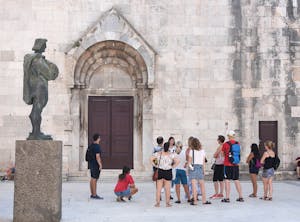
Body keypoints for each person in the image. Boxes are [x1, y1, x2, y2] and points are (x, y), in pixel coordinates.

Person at [23, 38, 59, 140]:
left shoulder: (34, 59)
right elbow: (49, 74)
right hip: (40, 87)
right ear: (41, 45)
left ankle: (36, 132)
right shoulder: (37, 60)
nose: (46, 47)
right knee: (37, 109)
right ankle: (36, 133)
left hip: (35, 86)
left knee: (37, 109)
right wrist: (52, 68)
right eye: (44, 45)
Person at [150, 142, 179, 207]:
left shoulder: (159, 154)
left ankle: (157, 203)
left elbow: (151, 158)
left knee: (159, 189)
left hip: (160, 170)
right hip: (168, 171)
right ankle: (167, 203)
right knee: (167, 188)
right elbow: (178, 161)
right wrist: (172, 166)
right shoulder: (171, 154)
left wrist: (156, 164)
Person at [221, 130, 244, 203]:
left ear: (228, 136)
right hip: (235, 164)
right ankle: (240, 196)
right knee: (236, 180)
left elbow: (222, 154)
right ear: (234, 136)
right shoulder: (238, 143)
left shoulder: (225, 144)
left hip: (227, 164)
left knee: (227, 180)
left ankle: (227, 198)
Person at [188, 137, 211, 205]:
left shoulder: (191, 151)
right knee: (202, 185)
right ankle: (204, 200)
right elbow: (203, 162)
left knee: (194, 186)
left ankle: (195, 201)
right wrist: (204, 171)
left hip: (194, 167)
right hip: (200, 168)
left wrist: (191, 169)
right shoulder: (202, 151)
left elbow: (189, 163)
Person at [88, 133, 103, 199]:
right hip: (95, 164)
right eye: (99, 138)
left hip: (91, 163)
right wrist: (100, 164)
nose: (100, 139)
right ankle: (94, 195)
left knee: (92, 178)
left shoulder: (91, 146)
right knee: (94, 179)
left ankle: (92, 193)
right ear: (98, 138)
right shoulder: (97, 146)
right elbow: (97, 156)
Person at [210, 135, 225, 199]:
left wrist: (215, 155)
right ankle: (221, 193)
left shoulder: (220, 147)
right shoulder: (225, 146)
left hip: (218, 164)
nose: (217, 140)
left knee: (215, 179)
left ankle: (216, 193)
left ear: (219, 140)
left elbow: (215, 155)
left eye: (218, 139)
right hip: (223, 164)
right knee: (221, 179)